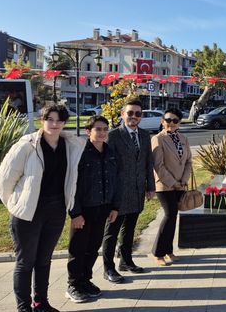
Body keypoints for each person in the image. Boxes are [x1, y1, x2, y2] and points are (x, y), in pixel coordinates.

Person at [0, 104, 85, 312]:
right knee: (25, 262)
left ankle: (41, 303)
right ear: (42, 120)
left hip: (55, 210)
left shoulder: (70, 145)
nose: (54, 124)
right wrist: (16, 205)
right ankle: (24, 307)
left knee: (44, 260)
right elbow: (4, 179)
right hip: (28, 212)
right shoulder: (27, 145)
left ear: (64, 123)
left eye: (59, 120)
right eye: (50, 119)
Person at [65, 116, 120, 303]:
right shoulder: (79, 153)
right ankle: (73, 284)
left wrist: (115, 207)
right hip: (83, 210)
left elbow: (116, 181)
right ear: (89, 131)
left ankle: (85, 280)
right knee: (78, 249)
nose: (102, 132)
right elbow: (72, 185)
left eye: (105, 129)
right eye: (98, 129)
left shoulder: (110, 152)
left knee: (93, 247)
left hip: (103, 208)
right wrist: (75, 213)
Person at [102, 99, 155, 284]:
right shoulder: (114, 135)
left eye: (138, 114)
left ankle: (126, 261)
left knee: (130, 228)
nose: (134, 117)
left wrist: (150, 187)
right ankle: (108, 268)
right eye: (130, 113)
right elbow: (108, 166)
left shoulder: (145, 135)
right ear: (123, 114)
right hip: (117, 193)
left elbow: (149, 162)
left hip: (137, 190)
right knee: (112, 231)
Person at [151, 108, 192, 266]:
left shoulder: (183, 138)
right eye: (168, 120)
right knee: (169, 216)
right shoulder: (158, 139)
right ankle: (158, 253)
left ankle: (169, 251)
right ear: (162, 121)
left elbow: (188, 161)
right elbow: (158, 165)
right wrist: (173, 182)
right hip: (165, 185)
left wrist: (183, 179)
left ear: (179, 123)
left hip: (180, 185)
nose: (171, 123)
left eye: (175, 121)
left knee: (173, 217)